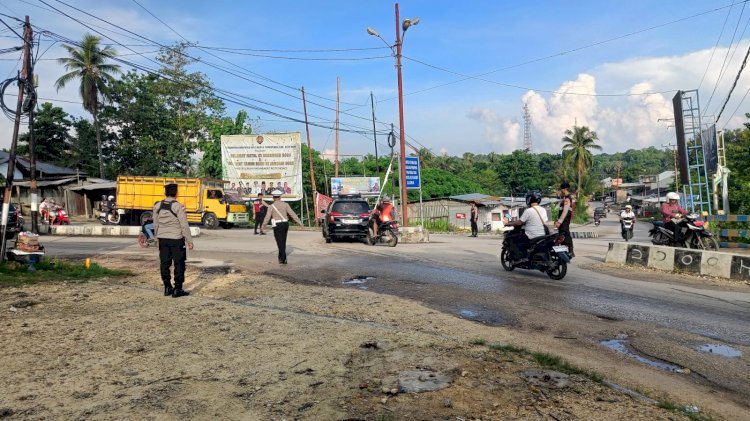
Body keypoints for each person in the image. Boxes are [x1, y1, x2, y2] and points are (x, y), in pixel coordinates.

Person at [153, 183, 194, 298]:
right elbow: (184, 225)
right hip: (176, 239)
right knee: (179, 264)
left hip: (163, 239)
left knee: (164, 263)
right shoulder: (177, 206)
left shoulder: (158, 206)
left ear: (165, 193)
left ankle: (167, 287)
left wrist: (157, 239)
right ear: (176, 193)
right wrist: (189, 241)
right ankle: (177, 289)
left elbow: (155, 224)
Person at [262, 190, 302, 264]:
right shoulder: (286, 204)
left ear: (273, 197)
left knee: (279, 241)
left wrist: (263, 225)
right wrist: (299, 222)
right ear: (280, 197)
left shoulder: (271, 206)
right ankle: (280, 257)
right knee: (283, 241)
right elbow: (292, 213)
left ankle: (283, 258)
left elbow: (267, 217)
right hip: (285, 224)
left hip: (277, 225)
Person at [508, 191, 548, 261]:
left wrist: (510, 224)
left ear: (529, 199)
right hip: (543, 235)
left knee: (517, 239)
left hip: (532, 235)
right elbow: (544, 220)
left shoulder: (528, 211)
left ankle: (523, 257)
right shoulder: (543, 210)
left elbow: (520, 222)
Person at [554, 181, 575, 257]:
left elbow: (565, 211)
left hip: (565, 220)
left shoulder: (567, 198)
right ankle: (565, 251)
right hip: (563, 220)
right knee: (562, 235)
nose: (561, 190)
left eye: (562, 189)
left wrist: (559, 221)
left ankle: (570, 251)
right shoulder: (565, 198)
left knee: (565, 234)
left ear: (565, 189)